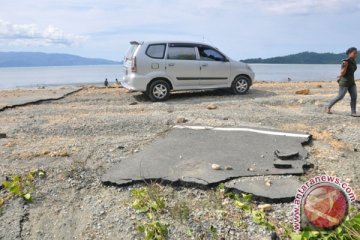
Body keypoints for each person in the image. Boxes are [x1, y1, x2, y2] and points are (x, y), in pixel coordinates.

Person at [326, 47, 359, 117]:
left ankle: (353, 112)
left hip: (351, 82)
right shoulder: (345, 61)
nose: (356, 54)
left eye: (357, 53)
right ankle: (328, 107)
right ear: (349, 53)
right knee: (340, 96)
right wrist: (345, 67)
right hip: (345, 82)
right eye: (354, 53)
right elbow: (342, 73)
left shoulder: (353, 60)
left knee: (354, 96)